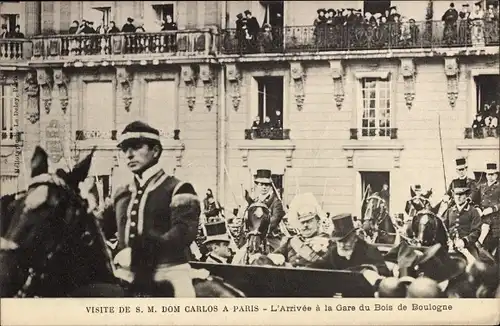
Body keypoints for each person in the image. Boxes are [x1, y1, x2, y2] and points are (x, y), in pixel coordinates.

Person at [100, 121, 201, 297]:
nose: (129, 155)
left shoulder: (178, 188)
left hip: (169, 272)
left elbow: (184, 232)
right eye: (124, 149)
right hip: (124, 273)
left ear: (155, 151)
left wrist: (141, 254)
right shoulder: (120, 193)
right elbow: (99, 229)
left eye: (136, 147)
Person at [311, 213, 391, 276]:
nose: (342, 245)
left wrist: (361, 270)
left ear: (355, 238)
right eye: (339, 241)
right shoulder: (333, 252)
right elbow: (318, 265)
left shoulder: (368, 250)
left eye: (345, 241)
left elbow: (384, 271)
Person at [272, 193, 331, 267]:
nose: (305, 225)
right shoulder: (292, 242)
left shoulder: (328, 242)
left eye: (309, 221)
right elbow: (274, 256)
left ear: (318, 222)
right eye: (302, 222)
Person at [248, 169, 285, 250]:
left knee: (280, 255)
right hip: (254, 235)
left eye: (267, 185)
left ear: (270, 186)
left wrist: (259, 230)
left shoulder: (276, 202)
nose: (264, 187)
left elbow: (274, 220)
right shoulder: (254, 201)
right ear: (257, 185)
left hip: (271, 237)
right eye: (261, 184)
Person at [443, 179, 482, 252]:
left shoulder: (473, 211)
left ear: (466, 195)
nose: (458, 197)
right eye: (456, 194)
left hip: (468, 247)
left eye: (461, 194)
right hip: (450, 246)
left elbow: (476, 231)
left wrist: (464, 241)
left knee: (474, 262)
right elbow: (444, 227)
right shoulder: (449, 211)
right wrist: (448, 240)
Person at [476, 163, 500, 259]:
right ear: (486, 175)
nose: (490, 176)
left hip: (496, 216)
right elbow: (475, 199)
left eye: (492, 174)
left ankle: (480, 243)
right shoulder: (482, 186)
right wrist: (478, 208)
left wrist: (492, 209)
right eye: (488, 174)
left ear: (496, 175)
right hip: (482, 215)